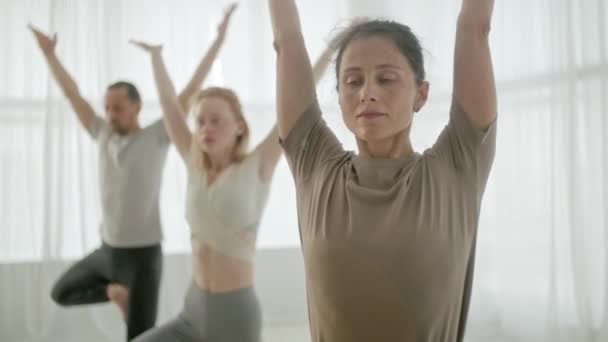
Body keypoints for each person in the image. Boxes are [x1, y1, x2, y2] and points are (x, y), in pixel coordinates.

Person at [268, 0, 497, 341]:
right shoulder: (313, 164)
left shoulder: (459, 164)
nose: (368, 93)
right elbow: (287, 41)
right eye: (353, 81)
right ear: (340, 95)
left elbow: (474, 27)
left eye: (386, 79)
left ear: (421, 95)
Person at [129, 7, 339, 341]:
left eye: (216, 120)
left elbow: (298, 99)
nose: (205, 128)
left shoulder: (258, 164)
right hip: (192, 308)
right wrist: (156, 58)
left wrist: (331, 49)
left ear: (239, 127)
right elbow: (170, 105)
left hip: (234, 314)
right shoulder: (194, 164)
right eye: (200, 121)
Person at [28, 5, 237, 340]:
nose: (110, 114)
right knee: (61, 292)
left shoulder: (157, 135)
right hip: (108, 252)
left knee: (140, 336)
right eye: (107, 107)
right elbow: (72, 94)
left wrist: (218, 41)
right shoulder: (101, 133)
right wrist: (49, 54)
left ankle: (126, 297)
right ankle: (114, 292)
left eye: (118, 108)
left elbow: (191, 89)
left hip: (143, 258)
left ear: (137, 107)